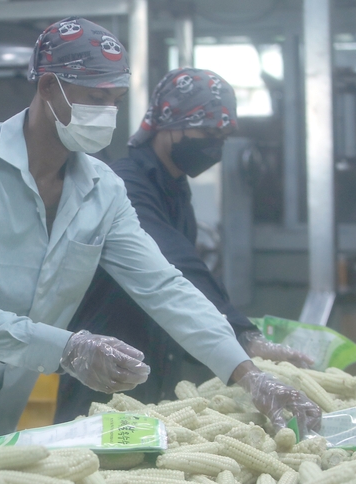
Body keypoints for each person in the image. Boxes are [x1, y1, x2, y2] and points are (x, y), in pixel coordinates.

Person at [0, 17, 321, 443]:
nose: (107, 113)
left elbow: (164, 285)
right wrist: (68, 348)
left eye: (114, 99)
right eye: (95, 96)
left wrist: (248, 374)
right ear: (47, 87)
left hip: (5, 402)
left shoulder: (103, 188)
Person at [54, 68, 313, 423]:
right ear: (170, 124)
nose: (214, 146)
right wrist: (242, 334)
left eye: (222, 136)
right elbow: (177, 268)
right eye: (206, 132)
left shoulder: (174, 188)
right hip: (104, 368)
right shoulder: (127, 184)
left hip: (149, 361)